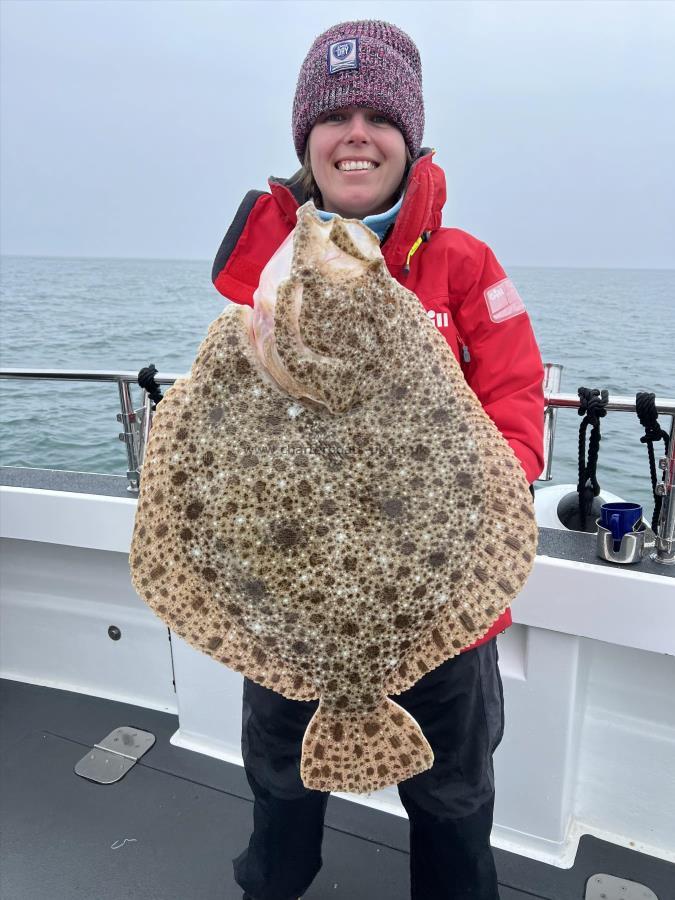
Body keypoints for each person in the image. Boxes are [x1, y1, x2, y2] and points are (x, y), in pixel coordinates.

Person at [210, 20, 545, 900]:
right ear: (305, 141)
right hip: (288, 607)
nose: (355, 134)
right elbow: (220, 431)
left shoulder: (464, 266)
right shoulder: (268, 273)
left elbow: (515, 402)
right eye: (334, 115)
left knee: (454, 802)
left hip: (441, 612)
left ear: (410, 138)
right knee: (278, 790)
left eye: (377, 117)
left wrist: (477, 502)